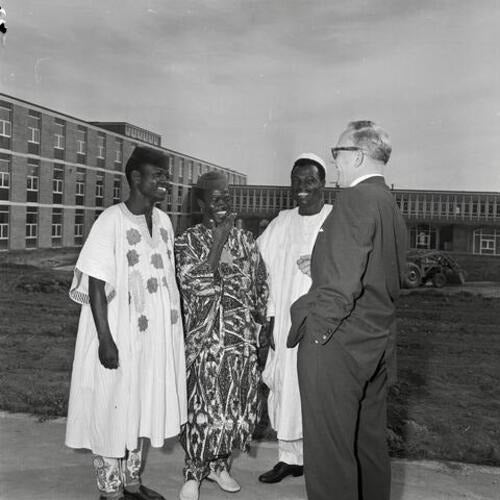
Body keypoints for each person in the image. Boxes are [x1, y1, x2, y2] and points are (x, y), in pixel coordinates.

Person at [288, 121, 407, 500]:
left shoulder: (354, 200)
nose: (334, 161)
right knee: (367, 448)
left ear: (356, 155)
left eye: (337, 153)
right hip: (373, 345)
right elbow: (387, 275)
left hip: (337, 346)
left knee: (330, 459)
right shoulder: (387, 203)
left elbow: (343, 289)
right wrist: (323, 264)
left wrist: (316, 336)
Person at [66, 146, 187, 500]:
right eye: (159, 175)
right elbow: (95, 283)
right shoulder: (111, 220)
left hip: (152, 338)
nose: (166, 182)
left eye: (167, 176)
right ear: (136, 178)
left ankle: (132, 483)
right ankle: (111, 490)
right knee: (111, 404)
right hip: (117, 334)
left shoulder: (163, 221)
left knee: (140, 404)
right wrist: (105, 339)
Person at [175, 171, 268, 500]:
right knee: (203, 406)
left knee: (232, 407)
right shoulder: (186, 242)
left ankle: (219, 467)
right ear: (201, 203)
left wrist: (261, 326)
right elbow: (195, 287)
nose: (224, 203)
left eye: (227, 197)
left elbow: (258, 283)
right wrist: (218, 240)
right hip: (207, 343)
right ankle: (193, 472)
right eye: (216, 198)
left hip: (239, 340)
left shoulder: (245, 241)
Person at [257, 153, 332, 484]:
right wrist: (271, 318)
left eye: (310, 181)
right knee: (285, 386)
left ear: (323, 184)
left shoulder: (336, 220)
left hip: (324, 323)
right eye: (296, 181)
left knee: (317, 392)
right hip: (286, 322)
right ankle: (289, 458)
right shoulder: (281, 222)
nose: (302, 188)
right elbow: (262, 268)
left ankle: (321, 461)